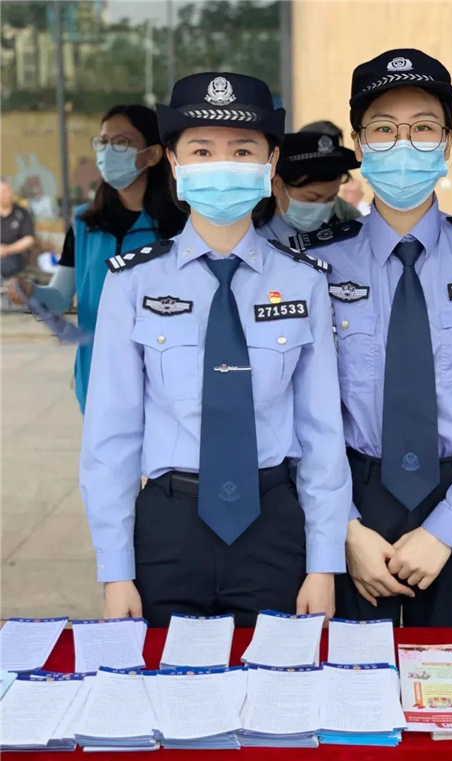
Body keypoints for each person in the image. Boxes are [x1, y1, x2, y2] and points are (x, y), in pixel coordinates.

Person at [79, 72, 351, 628]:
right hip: (168, 530)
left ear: (270, 165)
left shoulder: (304, 282)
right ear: (174, 165)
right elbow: (111, 435)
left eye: (242, 150)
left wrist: (324, 562)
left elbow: (322, 431)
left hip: (274, 525)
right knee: (163, 681)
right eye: (202, 150)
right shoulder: (132, 282)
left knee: (280, 681)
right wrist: (116, 570)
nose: (222, 164)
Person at [294, 49, 452, 628]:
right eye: (383, 129)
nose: (403, 143)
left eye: (423, 128)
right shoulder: (316, 265)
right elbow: (297, 405)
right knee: (351, 674)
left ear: (446, 143)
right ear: (360, 143)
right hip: (353, 497)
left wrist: (446, 529)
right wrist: (344, 528)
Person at [6, 105, 186, 413]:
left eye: (122, 142)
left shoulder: (180, 226)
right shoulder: (84, 224)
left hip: (163, 383)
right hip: (96, 379)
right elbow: (60, 297)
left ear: (153, 154)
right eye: (103, 142)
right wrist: (31, 292)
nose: (108, 151)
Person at [253, 131, 361, 242]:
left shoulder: (345, 237)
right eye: (311, 198)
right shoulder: (255, 241)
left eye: (331, 198)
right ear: (278, 186)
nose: (322, 207)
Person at [0, 178, 35, 283]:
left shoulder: (22, 213)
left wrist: (7, 250)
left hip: (14, 256)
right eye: (4, 192)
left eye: (9, 190)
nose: (8, 194)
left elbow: (29, 239)